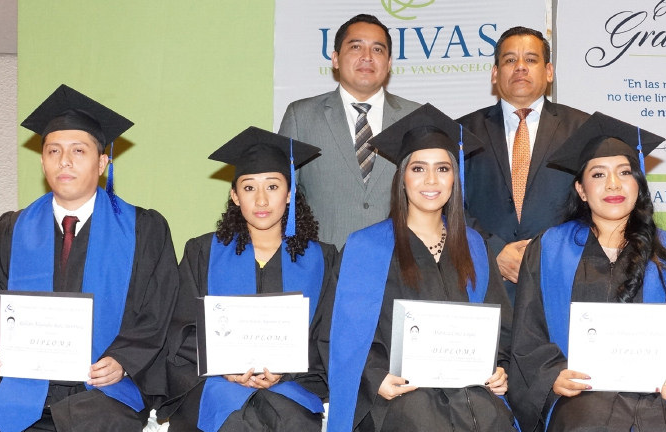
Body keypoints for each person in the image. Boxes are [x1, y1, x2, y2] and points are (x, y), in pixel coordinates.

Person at [0, 84, 179, 431]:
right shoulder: (13, 228)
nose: (65, 161)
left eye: (79, 150)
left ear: (102, 162)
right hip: (18, 383)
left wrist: (124, 361)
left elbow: (159, 311)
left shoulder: (143, 229)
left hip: (101, 390)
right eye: (53, 151)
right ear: (43, 162)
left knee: (106, 424)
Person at [510, 112, 666, 432]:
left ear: (638, 184)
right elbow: (527, 333)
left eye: (624, 172)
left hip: (659, 400)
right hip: (580, 402)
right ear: (581, 190)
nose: (613, 184)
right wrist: (552, 376)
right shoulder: (549, 249)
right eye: (598, 174)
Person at [323, 105, 516, 432]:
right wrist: (375, 378)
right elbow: (340, 332)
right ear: (402, 178)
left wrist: (498, 369)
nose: (431, 180)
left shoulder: (475, 246)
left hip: (469, 391)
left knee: (493, 419)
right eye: (418, 168)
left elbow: (501, 329)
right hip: (400, 396)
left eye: (442, 168)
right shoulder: (366, 248)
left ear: (455, 178)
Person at [157, 127, 336, 431]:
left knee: (290, 419)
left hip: (294, 384)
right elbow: (179, 327)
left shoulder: (322, 259)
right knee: (234, 421)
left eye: (273, 186)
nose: (261, 200)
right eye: (249, 187)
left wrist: (285, 371)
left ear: (290, 194)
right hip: (217, 383)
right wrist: (223, 366)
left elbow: (329, 335)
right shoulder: (202, 252)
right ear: (235, 196)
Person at [457, 26, 591, 303]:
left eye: (531, 59)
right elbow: (449, 205)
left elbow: (596, 204)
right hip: (485, 284)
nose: (520, 67)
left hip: (561, 281)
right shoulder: (461, 132)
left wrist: (551, 251)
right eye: (510, 60)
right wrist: (492, 250)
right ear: (495, 74)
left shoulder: (583, 129)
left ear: (549, 71)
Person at [279, 13, 421, 249]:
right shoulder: (301, 116)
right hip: (325, 261)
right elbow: (281, 194)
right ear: (335, 59)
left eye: (377, 50)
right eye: (356, 47)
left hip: (399, 261)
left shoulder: (414, 117)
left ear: (389, 63)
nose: (367, 57)